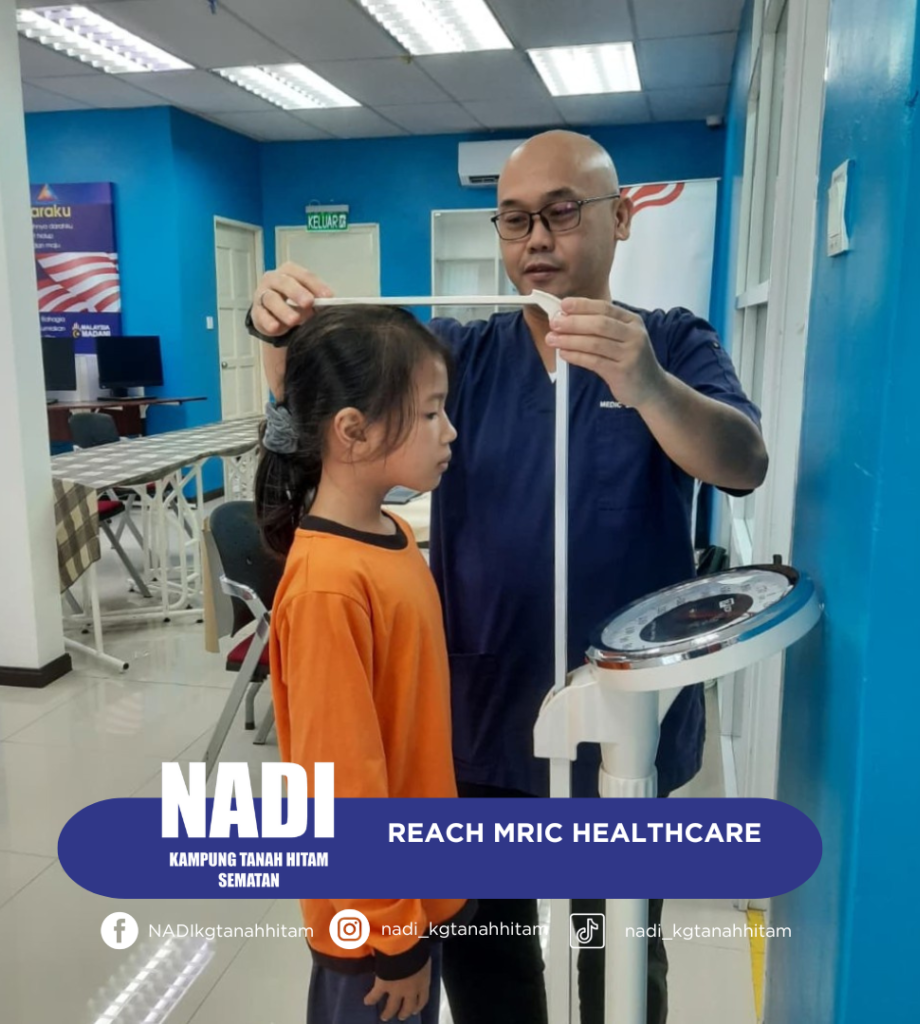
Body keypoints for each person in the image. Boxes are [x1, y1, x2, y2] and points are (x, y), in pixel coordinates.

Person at [248, 131, 768, 1024]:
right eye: (515, 219)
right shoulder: (460, 355)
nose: (538, 240)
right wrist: (277, 335)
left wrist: (647, 384)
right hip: (483, 724)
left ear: (621, 217)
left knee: (618, 960)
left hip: (623, 733)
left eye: (562, 212)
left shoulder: (672, 343)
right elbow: (326, 423)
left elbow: (743, 463)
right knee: (489, 963)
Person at [257, 305, 472, 1024]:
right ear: (353, 431)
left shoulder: (392, 534)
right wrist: (393, 933)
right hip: (373, 926)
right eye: (432, 413)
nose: (450, 431)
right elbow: (341, 786)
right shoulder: (327, 587)